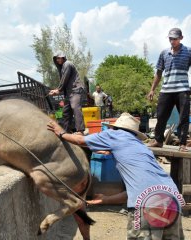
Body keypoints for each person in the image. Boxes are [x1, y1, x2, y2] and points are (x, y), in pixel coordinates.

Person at [47, 113, 185, 239]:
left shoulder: (115, 135)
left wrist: (62, 133)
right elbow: (138, 191)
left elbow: (80, 140)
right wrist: (105, 200)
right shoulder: (141, 147)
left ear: (116, 128)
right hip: (173, 200)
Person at [147, 27, 191, 152]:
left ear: (181, 38)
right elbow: (159, 73)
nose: (172, 41)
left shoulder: (188, 52)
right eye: (171, 39)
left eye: (175, 39)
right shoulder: (164, 53)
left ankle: (182, 144)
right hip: (166, 90)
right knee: (161, 116)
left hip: (182, 90)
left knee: (183, 117)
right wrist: (152, 90)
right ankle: (158, 140)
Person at [49, 51, 86, 135]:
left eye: (58, 58)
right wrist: (57, 90)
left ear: (63, 57)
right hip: (69, 93)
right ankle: (65, 131)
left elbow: (64, 79)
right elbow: (63, 81)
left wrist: (58, 90)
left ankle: (80, 131)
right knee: (66, 112)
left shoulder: (67, 64)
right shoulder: (62, 68)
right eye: (56, 59)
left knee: (76, 109)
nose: (57, 60)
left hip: (76, 90)